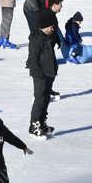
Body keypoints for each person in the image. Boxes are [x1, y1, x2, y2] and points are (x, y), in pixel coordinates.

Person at [27, 10, 58, 138]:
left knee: (45, 99)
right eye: (52, 26)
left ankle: (41, 123)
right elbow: (33, 59)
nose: (53, 28)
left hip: (49, 73)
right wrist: (39, 74)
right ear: (45, 26)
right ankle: (34, 126)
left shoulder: (48, 36)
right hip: (40, 74)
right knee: (39, 99)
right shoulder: (36, 38)